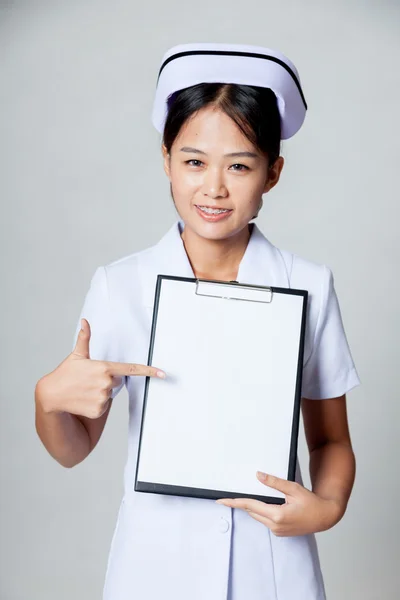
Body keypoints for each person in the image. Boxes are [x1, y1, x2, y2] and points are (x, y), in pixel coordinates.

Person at [35, 42, 361, 600]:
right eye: (193, 162)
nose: (213, 187)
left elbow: (330, 438)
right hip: (155, 565)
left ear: (273, 173)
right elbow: (72, 448)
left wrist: (326, 509)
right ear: (165, 159)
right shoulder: (120, 285)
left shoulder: (308, 284)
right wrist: (48, 400)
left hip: (273, 565)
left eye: (239, 165)